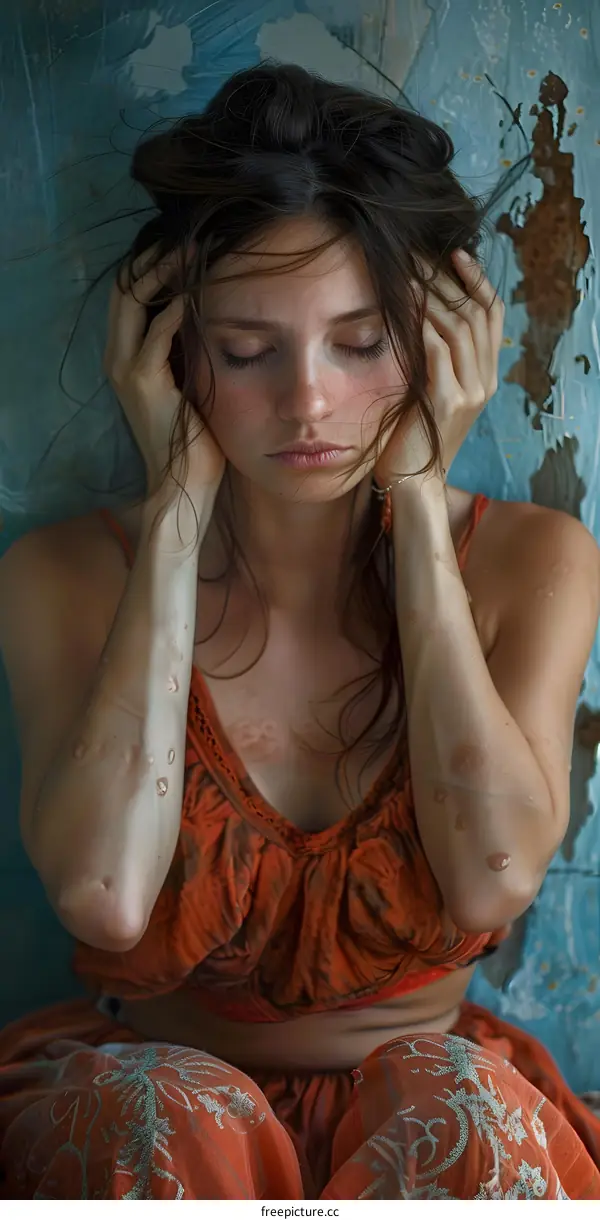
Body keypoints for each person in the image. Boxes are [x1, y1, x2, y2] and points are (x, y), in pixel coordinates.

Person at [0, 63, 599, 1202]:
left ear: (435, 342)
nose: (310, 401)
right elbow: (106, 893)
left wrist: (421, 507)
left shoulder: (533, 562)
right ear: (175, 352)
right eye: (245, 350)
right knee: (165, 1110)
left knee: (454, 1111)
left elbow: (496, 874)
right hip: (160, 1111)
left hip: (419, 1105)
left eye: (363, 342)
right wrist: (177, 504)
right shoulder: (63, 574)